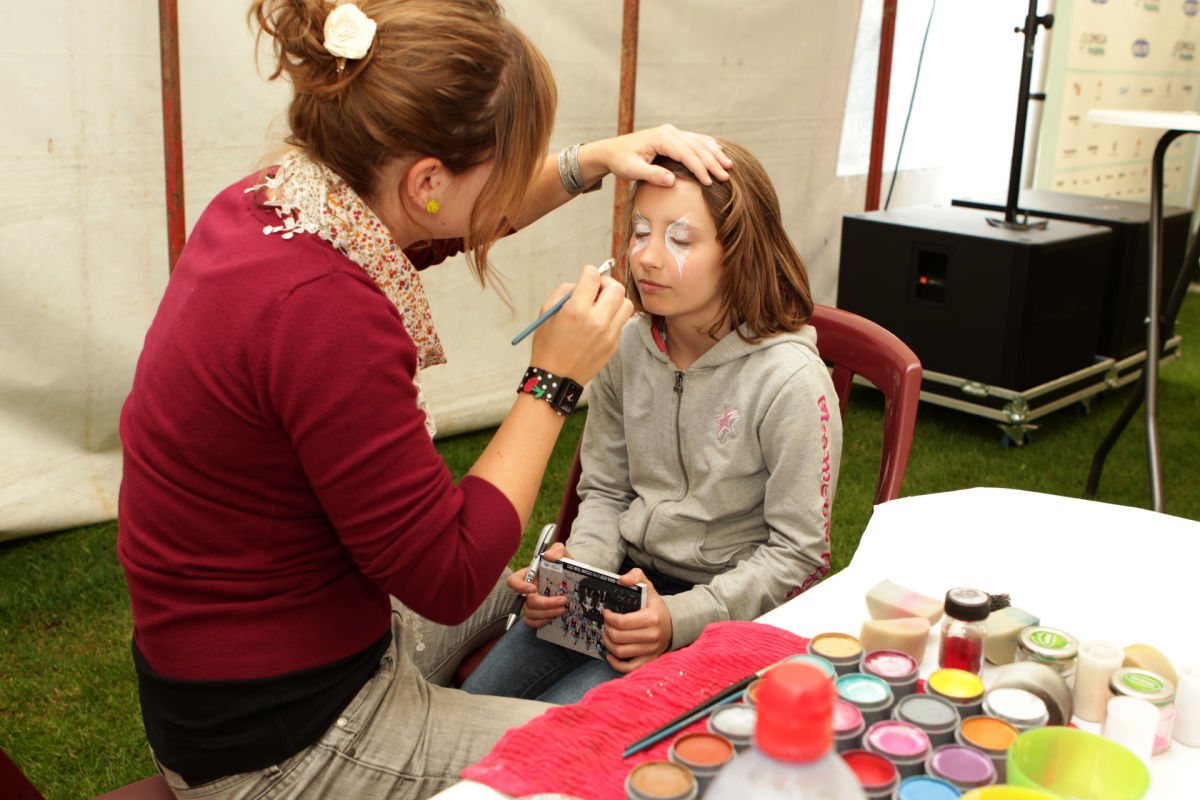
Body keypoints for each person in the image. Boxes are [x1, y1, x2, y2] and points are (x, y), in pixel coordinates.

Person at [115, 1, 731, 798]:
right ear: (428, 181)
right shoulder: (324, 311)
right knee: (624, 760)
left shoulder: (276, 203)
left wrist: (591, 163)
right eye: (508, 166)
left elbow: (445, 222)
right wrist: (553, 382)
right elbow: (449, 574)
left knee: (535, 587)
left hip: (237, 670)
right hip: (279, 740)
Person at [462, 140, 843, 704]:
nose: (646, 258)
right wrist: (576, 576)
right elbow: (606, 489)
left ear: (740, 251)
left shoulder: (789, 381)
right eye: (640, 232)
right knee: (480, 703)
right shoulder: (626, 346)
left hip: (720, 613)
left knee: (561, 726)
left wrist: (677, 618)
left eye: (680, 239)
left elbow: (799, 556)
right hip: (621, 584)